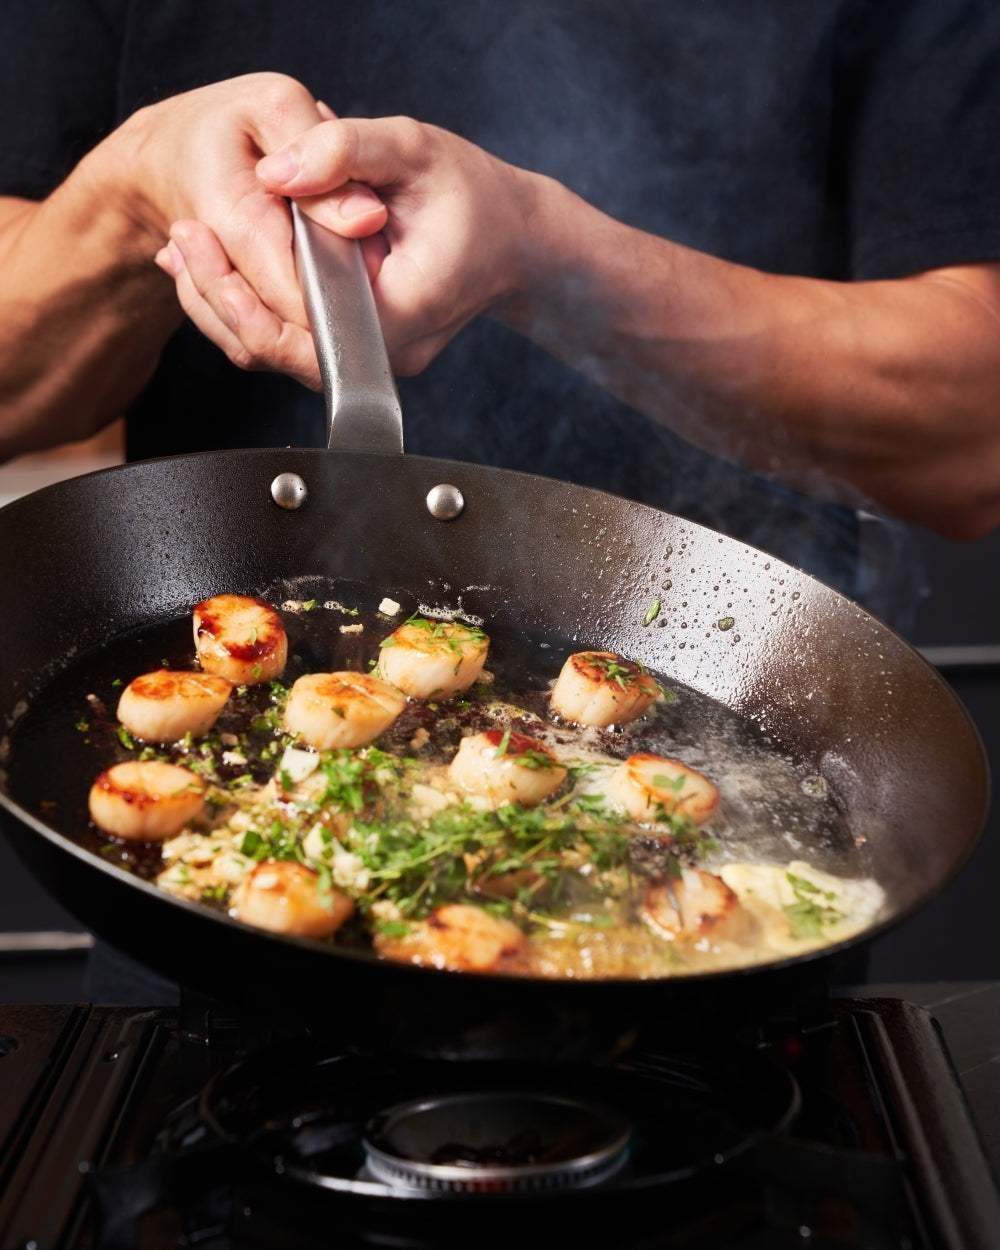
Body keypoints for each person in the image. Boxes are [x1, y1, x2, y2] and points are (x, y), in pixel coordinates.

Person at [0, 2, 997, 997]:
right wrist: (133, 184)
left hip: (724, 966)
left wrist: (554, 257)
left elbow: (977, 435)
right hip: (190, 957)